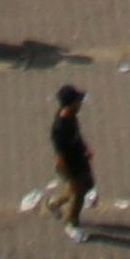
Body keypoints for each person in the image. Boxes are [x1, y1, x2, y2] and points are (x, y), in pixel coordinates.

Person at [49, 87, 95, 240]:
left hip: (79, 160)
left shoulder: (71, 116)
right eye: (78, 101)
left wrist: (85, 148)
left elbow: (77, 136)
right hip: (70, 166)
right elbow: (60, 156)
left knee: (87, 185)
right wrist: (69, 174)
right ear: (70, 104)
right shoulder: (60, 128)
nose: (80, 103)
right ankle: (72, 224)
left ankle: (55, 203)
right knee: (78, 195)